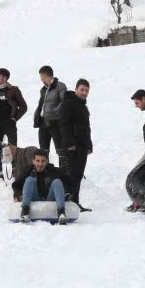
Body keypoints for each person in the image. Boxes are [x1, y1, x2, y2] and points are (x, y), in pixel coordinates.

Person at [0, 67, 27, 180]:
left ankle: (14, 169)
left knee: (13, 147)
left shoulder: (13, 90)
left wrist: (14, 118)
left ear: (5, 77)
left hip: (9, 123)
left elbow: (23, 106)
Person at [11, 148, 69, 225]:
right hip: (34, 197)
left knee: (57, 181)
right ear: (33, 161)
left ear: (47, 161)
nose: (40, 164)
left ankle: (61, 213)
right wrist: (17, 195)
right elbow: (16, 185)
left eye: (43, 161)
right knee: (29, 180)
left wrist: (69, 193)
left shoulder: (53, 170)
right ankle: (25, 212)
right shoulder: (27, 171)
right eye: (38, 161)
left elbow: (70, 181)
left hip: (49, 197)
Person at [59, 78, 92, 209]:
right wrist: (69, 143)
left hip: (82, 145)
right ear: (76, 89)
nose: (84, 92)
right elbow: (63, 124)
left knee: (78, 174)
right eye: (82, 89)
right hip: (72, 145)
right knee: (73, 174)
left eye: (86, 90)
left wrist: (89, 145)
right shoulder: (68, 102)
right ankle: (70, 202)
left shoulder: (82, 105)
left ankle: (75, 203)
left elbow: (86, 127)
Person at [33, 65, 68, 171]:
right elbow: (41, 105)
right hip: (43, 123)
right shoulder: (43, 89)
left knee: (61, 151)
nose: (41, 79)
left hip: (55, 123)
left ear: (47, 75)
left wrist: (54, 113)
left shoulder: (60, 86)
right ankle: (45, 174)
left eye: (42, 77)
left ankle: (64, 174)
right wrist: (37, 116)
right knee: (43, 151)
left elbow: (64, 103)